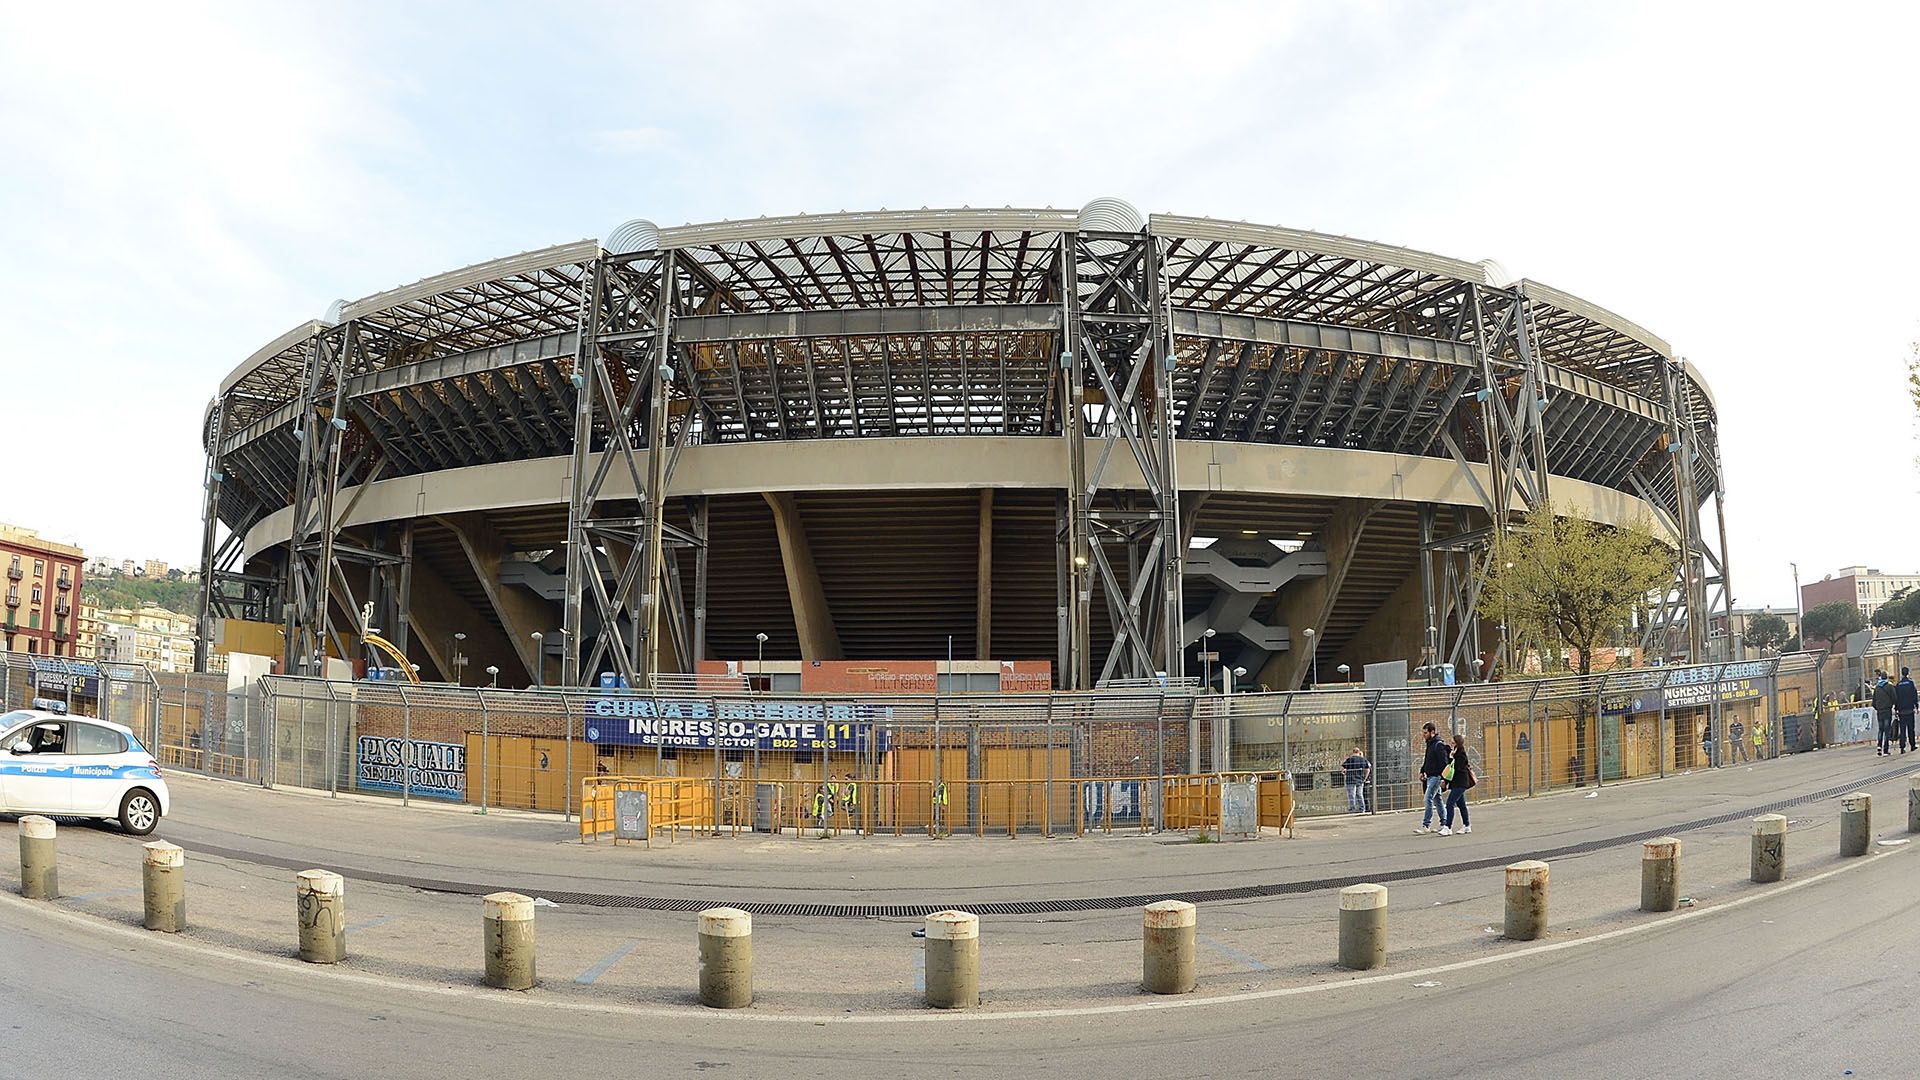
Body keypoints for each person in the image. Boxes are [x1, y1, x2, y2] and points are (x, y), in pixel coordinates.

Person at [1416, 723, 1449, 834]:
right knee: (1437, 800)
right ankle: (1444, 823)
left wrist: (1443, 778)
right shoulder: (1430, 744)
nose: (1423, 735)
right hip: (1430, 776)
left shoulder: (1438, 745)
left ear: (1432, 732)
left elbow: (1443, 763)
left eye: (1425, 733)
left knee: (1428, 798)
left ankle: (1426, 825)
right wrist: (1422, 771)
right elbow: (1427, 760)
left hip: (1436, 777)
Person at [1440, 734, 1475, 836]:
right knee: (1461, 804)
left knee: (1450, 803)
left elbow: (1457, 768)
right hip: (1457, 783)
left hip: (1460, 783)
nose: (1451, 742)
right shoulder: (1456, 752)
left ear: (1457, 742)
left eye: (1453, 741)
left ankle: (1448, 827)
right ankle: (1467, 825)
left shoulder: (1461, 754)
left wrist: (1452, 758)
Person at [1340, 747, 1372, 814]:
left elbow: (1343, 768)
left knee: (1351, 795)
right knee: (1360, 795)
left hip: (1350, 780)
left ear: (1353, 752)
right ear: (1359, 752)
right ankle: (1362, 809)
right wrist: (1364, 778)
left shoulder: (1349, 759)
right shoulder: (1363, 759)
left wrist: (1344, 772)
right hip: (1360, 780)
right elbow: (1367, 769)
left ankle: (1352, 810)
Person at [1873, 672, 1896, 756]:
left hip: (1879, 711)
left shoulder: (1877, 688)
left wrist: (1878, 708)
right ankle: (1885, 749)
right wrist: (1892, 705)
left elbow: (1873, 702)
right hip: (1887, 710)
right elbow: (1894, 698)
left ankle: (1879, 746)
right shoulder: (1889, 686)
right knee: (1886, 730)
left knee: (1880, 729)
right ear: (1886, 677)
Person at [1897, 668, 1919, 754]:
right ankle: (1912, 745)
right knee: (1911, 729)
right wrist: (1916, 706)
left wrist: (1896, 709)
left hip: (1901, 711)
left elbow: (1897, 698)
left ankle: (1902, 747)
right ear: (1908, 673)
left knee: (1902, 730)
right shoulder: (1910, 683)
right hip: (1910, 709)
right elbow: (1914, 695)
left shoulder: (1898, 684)